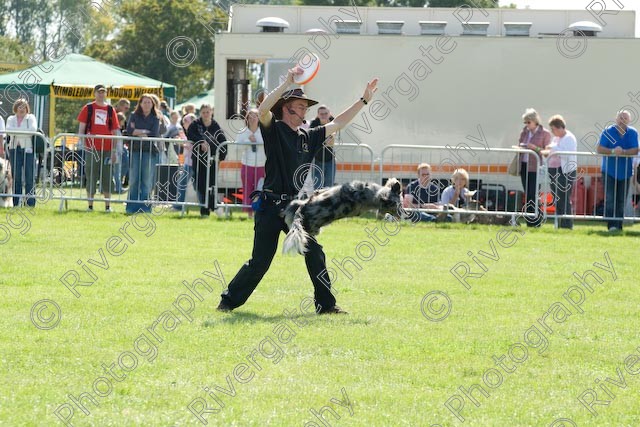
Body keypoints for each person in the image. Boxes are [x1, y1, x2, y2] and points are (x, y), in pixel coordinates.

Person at [217, 67, 379, 315]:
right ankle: (228, 301)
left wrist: (364, 100)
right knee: (260, 263)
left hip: (295, 207)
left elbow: (339, 122)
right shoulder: (274, 130)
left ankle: (326, 305)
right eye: (301, 106)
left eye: (305, 107)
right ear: (286, 108)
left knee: (314, 251)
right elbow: (262, 111)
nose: (305, 111)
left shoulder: (309, 135)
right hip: (270, 205)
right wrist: (285, 84)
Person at [77, 85, 120, 212]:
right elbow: (81, 129)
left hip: (107, 148)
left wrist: (113, 151)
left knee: (107, 176)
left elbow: (115, 131)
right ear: (95, 93)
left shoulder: (111, 110)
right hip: (92, 148)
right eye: (99, 92)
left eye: (103, 92)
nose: (101, 95)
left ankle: (108, 206)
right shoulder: (88, 108)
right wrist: (85, 144)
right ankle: (90, 206)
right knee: (91, 176)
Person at [596, 110, 639, 231]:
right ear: (616, 119)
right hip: (609, 172)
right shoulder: (607, 131)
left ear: (629, 121)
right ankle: (611, 225)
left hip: (625, 173)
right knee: (610, 199)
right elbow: (599, 148)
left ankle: (619, 226)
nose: (622, 120)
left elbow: (635, 150)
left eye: (625, 118)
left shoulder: (633, 133)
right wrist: (613, 151)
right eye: (620, 118)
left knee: (621, 200)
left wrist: (624, 152)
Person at [186, 104, 227, 217]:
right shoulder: (195, 124)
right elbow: (190, 134)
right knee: (200, 185)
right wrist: (201, 141)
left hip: (212, 160)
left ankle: (212, 207)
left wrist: (222, 157)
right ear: (200, 113)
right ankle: (208, 208)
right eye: (203, 112)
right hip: (198, 159)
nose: (205, 114)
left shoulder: (215, 125)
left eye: (207, 112)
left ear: (211, 112)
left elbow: (223, 141)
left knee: (211, 185)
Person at [541, 115, 578, 229]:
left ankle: (566, 224)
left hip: (565, 171)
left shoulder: (569, 138)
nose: (552, 132)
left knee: (564, 198)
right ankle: (559, 223)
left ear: (559, 127)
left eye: (553, 129)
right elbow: (554, 150)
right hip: (554, 170)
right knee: (557, 198)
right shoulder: (556, 139)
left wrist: (553, 149)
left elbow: (566, 154)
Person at [126, 94, 160, 214]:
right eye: (144, 102)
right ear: (140, 104)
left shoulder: (155, 119)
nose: (146, 105)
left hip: (149, 151)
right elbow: (129, 131)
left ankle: (145, 208)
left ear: (152, 105)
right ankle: (131, 207)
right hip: (135, 150)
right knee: (134, 179)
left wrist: (138, 132)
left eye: (149, 102)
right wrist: (145, 131)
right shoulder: (134, 116)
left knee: (146, 180)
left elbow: (154, 134)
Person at [518, 108, 551, 227]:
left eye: (528, 122)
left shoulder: (545, 133)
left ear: (535, 121)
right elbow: (520, 144)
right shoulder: (524, 132)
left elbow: (547, 151)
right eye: (525, 122)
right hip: (524, 165)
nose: (527, 125)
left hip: (536, 167)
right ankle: (530, 220)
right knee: (528, 193)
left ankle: (536, 219)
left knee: (533, 194)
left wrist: (534, 148)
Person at [6, 99, 38, 208]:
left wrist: (17, 132)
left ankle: (30, 203)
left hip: (28, 150)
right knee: (16, 176)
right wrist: (24, 132)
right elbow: (9, 131)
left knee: (29, 176)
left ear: (27, 108)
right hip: (14, 149)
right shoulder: (11, 118)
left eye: (24, 106)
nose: (21, 108)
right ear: (15, 107)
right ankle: (16, 202)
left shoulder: (31, 118)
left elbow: (33, 130)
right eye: (19, 106)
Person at [235, 108, 265, 218]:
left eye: (255, 116)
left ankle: (259, 212)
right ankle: (249, 214)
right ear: (247, 118)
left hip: (261, 165)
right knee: (248, 189)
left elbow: (268, 147)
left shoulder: (263, 131)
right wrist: (248, 142)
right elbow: (236, 148)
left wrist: (257, 142)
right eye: (250, 116)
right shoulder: (242, 132)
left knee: (260, 189)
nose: (253, 119)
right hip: (247, 165)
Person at [309, 105, 336, 189]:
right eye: (321, 114)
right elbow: (311, 137)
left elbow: (333, 138)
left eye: (326, 113)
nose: (324, 115)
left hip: (330, 159)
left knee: (329, 185)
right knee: (317, 186)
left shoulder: (334, 121)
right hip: (316, 159)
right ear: (318, 115)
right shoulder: (314, 123)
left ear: (329, 114)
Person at [175, 113, 196, 210]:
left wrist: (184, 144)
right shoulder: (187, 133)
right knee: (184, 183)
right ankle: (179, 205)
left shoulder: (195, 132)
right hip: (188, 162)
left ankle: (179, 206)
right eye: (183, 122)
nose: (184, 124)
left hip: (193, 163)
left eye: (186, 121)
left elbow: (194, 146)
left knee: (183, 183)